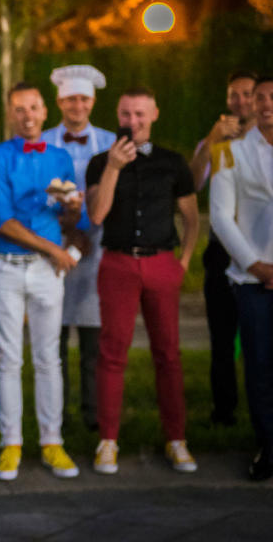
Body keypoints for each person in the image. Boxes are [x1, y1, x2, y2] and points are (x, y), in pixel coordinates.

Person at [86, 87, 199, 475]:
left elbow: (191, 216)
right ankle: (108, 441)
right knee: (112, 353)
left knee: (168, 354)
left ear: (154, 114)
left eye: (139, 114)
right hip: (117, 265)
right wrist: (114, 169)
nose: (132, 122)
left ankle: (177, 439)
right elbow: (97, 216)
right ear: (116, 115)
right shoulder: (100, 161)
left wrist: (182, 260)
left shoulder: (172, 163)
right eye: (125, 114)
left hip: (161, 265)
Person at [0, 82, 81, 482]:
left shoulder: (61, 157)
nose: (27, 115)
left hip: (47, 273)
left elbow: (73, 221)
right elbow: (3, 221)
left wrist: (73, 209)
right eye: (19, 109)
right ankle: (11, 445)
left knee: (49, 358)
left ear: (45, 112)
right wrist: (54, 250)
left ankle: (52, 442)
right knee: (8, 358)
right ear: (11, 115)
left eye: (33, 108)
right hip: (6, 267)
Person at [42, 65, 116, 431]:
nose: (77, 105)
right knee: (52, 340)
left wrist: (89, 225)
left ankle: (92, 415)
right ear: (59, 101)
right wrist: (65, 225)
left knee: (92, 340)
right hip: (51, 247)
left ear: (93, 101)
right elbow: (34, 193)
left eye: (83, 98)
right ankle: (56, 416)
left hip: (97, 251)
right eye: (71, 98)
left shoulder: (111, 141)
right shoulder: (40, 141)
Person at [209, 75, 273, 481]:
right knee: (261, 366)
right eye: (262, 98)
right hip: (253, 282)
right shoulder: (228, 153)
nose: (267, 104)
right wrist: (256, 265)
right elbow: (219, 216)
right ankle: (268, 445)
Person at [189, 70, 257, 427]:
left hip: (262, 253)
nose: (241, 101)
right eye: (234, 95)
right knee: (222, 337)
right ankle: (224, 410)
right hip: (221, 253)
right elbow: (191, 182)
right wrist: (212, 141)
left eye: (248, 94)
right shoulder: (215, 141)